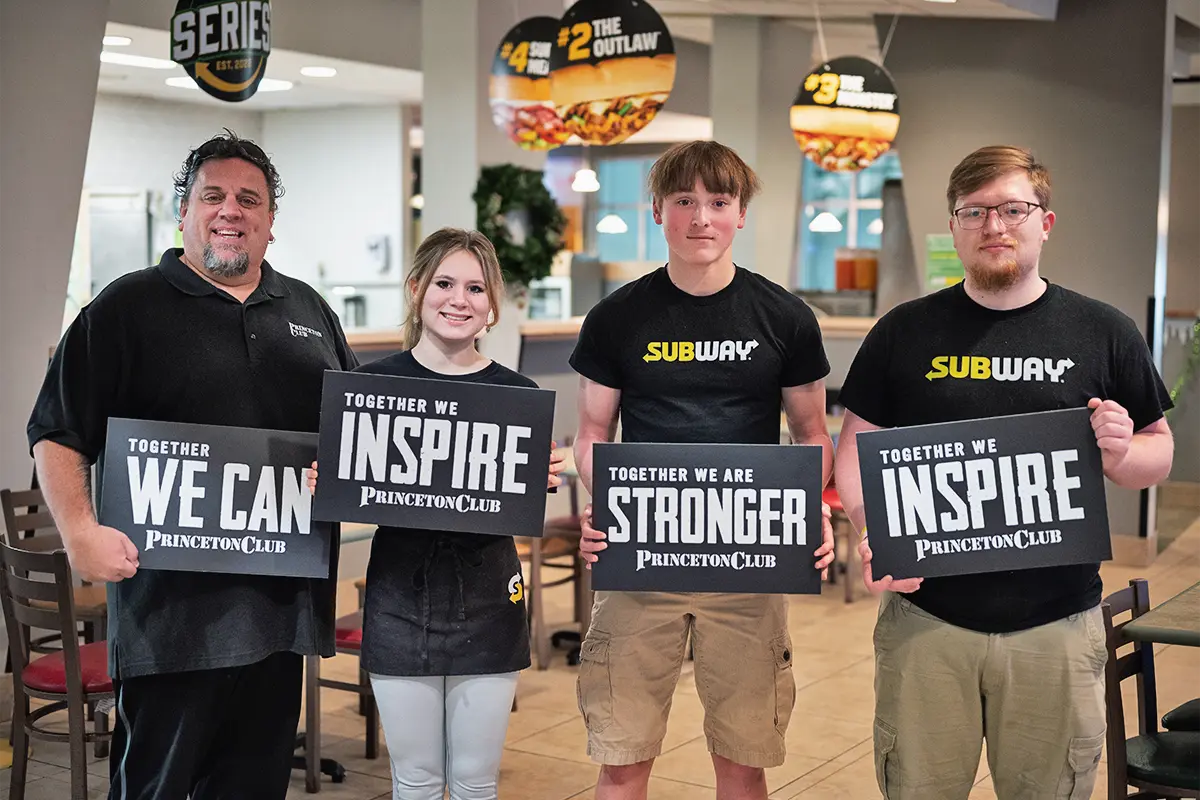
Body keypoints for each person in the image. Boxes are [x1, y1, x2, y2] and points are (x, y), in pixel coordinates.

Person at [833, 145, 1174, 800]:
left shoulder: (1104, 331)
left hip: (1057, 623)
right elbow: (857, 447)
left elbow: (1158, 451)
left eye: (1013, 208)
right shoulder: (902, 333)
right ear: (954, 227)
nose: (995, 225)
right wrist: (869, 527)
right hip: (925, 619)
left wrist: (1122, 452)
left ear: (1045, 222)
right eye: (975, 211)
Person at [27, 130, 358, 800]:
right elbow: (56, 430)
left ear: (270, 222)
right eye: (214, 195)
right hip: (169, 620)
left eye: (249, 199)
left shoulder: (309, 312)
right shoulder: (126, 307)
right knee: (153, 789)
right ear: (185, 211)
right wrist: (79, 534)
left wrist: (342, 474)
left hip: (279, 616)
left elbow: (354, 431)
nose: (231, 209)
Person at [571, 140, 836, 800]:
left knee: (743, 761)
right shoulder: (617, 317)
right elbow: (593, 433)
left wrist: (814, 508)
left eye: (718, 202)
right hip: (640, 563)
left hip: (746, 565)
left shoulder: (786, 318)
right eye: (684, 201)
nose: (701, 218)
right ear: (657, 210)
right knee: (623, 759)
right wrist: (600, 502)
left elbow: (811, 434)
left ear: (740, 213)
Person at [307, 227, 565, 800]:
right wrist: (328, 481)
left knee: (476, 784)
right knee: (416, 782)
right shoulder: (370, 388)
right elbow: (351, 498)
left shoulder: (517, 397)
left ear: (492, 304)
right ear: (417, 289)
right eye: (445, 283)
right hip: (400, 600)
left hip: (491, 603)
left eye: (476, 288)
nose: (459, 299)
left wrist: (534, 476)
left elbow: (513, 501)